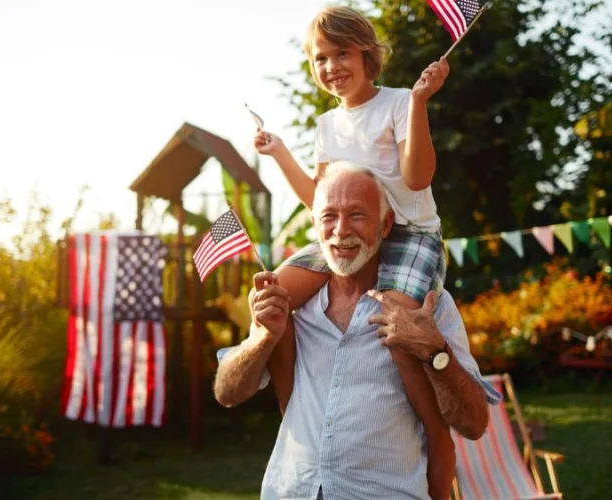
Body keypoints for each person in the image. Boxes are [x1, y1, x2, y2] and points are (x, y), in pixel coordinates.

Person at [253, 6, 455, 497]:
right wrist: (280, 150)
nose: (330, 67)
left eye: (341, 53)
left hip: (408, 237)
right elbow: (318, 199)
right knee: (275, 294)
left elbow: (418, 178)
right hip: (350, 235)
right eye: (320, 58)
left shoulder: (398, 103)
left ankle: (435, 436)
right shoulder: (326, 125)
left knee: (399, 328)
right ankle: (298, 417)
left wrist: (422, 102)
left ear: (368, 56)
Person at [214, 164, 500, 500]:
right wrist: (263, 337)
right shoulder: (288, 307)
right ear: (314, 225)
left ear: (386, 225)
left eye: (357, 215)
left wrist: (434, 350)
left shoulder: (428, 306)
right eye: (329, 216)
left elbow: (474, 423)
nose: (341, 230)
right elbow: (227, 392)